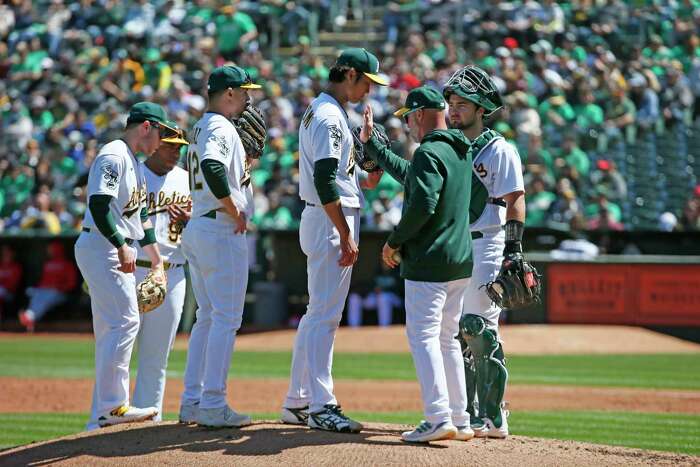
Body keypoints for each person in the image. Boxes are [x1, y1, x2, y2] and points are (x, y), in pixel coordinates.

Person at [281, 48, 387, 433]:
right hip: (330, 219)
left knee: (317, 314)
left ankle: (297, 400)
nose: (369, 91)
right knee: (325, 317)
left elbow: (359, 178)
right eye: (367, 82)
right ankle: (321, 404)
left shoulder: (329, 111)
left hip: (326, 215)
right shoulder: (328, 117)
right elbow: (326, 179)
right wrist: (344, 233)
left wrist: (369, 149)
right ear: (351, 75)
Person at [360, 86, 474, 443]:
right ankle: (460, 416)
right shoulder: (459, 149)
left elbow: (422, 203)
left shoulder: (429, 151)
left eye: (408, 116)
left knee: (424, 337)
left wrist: (395, 242)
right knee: (448, 339)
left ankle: (439, 417)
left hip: (429, 261)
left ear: (421, 113)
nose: (407, 123)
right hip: (460, 261)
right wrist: (376, 147)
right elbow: (413, 176)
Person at [442, 65, 527, 439]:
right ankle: (465, 411)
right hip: (454, 246)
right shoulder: (447, 145)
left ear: (481, 109)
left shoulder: (499, 148)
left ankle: (492, 414)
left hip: (487, 243)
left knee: (478, 329)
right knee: (455, 333)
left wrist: (514, 248)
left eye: (463, 104)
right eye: (451, 104)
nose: (454, 110)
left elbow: (515, 199)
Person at [76, 102, 171, 430]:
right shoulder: (114, 154)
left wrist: (155, 257)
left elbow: (140, 217)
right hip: (101, 246)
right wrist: (120, 244)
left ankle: (100, 415)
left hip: (108, 246)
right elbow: (98, 204)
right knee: (126, 321)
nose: (162, 141)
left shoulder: (133, 161)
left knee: (111, 328)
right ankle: (113, 406)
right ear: (146, 126)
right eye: (161, 132)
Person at [178, 65, 260, 428]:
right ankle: (212, 403)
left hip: (201, 226)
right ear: (228, 93)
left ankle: (192, 401)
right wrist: (233, 208)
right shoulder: (219, 126)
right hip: (219, 227)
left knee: (208, 317)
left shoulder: (201, 126)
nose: (248, 98)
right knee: (226, 319)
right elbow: (212, 167)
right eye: (244, 91)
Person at [131, 121, 191, 422]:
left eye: (180, 147)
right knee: (117, 353)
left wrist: (191, 219)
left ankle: (148, 419)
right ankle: (107, 415)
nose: (175, 153)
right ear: (154, 144)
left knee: (156, 357)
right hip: (129, 270)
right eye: (169, 145)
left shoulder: (187, 180)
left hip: (172, 272)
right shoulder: (134, 175)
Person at [18, 241, 77, 332]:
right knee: (32, 292)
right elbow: (43, 281)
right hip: (44, 290)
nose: (49, 251)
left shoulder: (67, 264)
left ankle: (30, 316)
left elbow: (71, 284)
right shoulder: (48, 263)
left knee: (49, 294)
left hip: (59, 293)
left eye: (51, 249)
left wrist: (59, 287)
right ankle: (29, 315)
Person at [0, 245, 22, 326]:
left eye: (8, 252)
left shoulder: (16, 267)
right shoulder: (1, 265)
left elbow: (14, 284)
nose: (6, 254)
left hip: (10, 293)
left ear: (13, 254)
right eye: (4, 252)